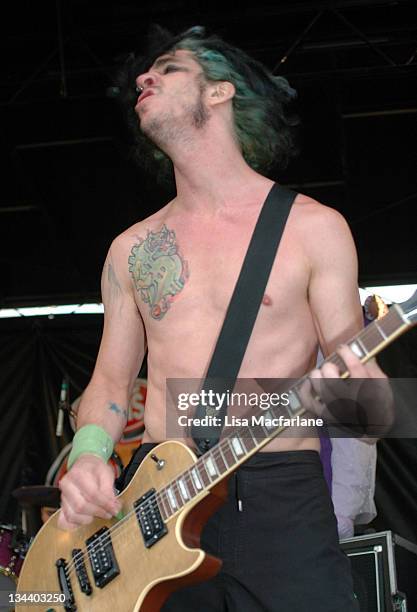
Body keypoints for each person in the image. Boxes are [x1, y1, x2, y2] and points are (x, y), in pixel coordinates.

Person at [57, 26, 388, 611]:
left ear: (220, 92)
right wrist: (87, 454)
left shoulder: (314, 228)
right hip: (158, 507)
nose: (143, 77)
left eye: (169, 67)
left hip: (279, 499)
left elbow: (368, 413)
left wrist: (362, 391)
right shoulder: (130, 248)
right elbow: (110, 381)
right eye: (144, 73)